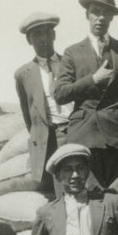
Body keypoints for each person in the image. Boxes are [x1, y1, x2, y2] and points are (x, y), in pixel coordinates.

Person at [55, 0, 118, 199]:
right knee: (88, 198)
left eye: (105, 13)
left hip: (117, 137)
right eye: (95, 12)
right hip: (84, 135)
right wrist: (93, 80)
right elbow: (60, 93)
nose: (100, 18)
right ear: (87, 14)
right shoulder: (72, 52)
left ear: (112, 17)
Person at [14, 11, 71, 195]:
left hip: (71, 132)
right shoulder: (23, 74)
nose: (43, 39)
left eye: (47, 33)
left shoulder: (70, 63)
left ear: (54, 35)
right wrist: (39, 135)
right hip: (46, 139)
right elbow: (27, 113)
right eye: (36, 34)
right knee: (50, 193)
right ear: (29, 40)